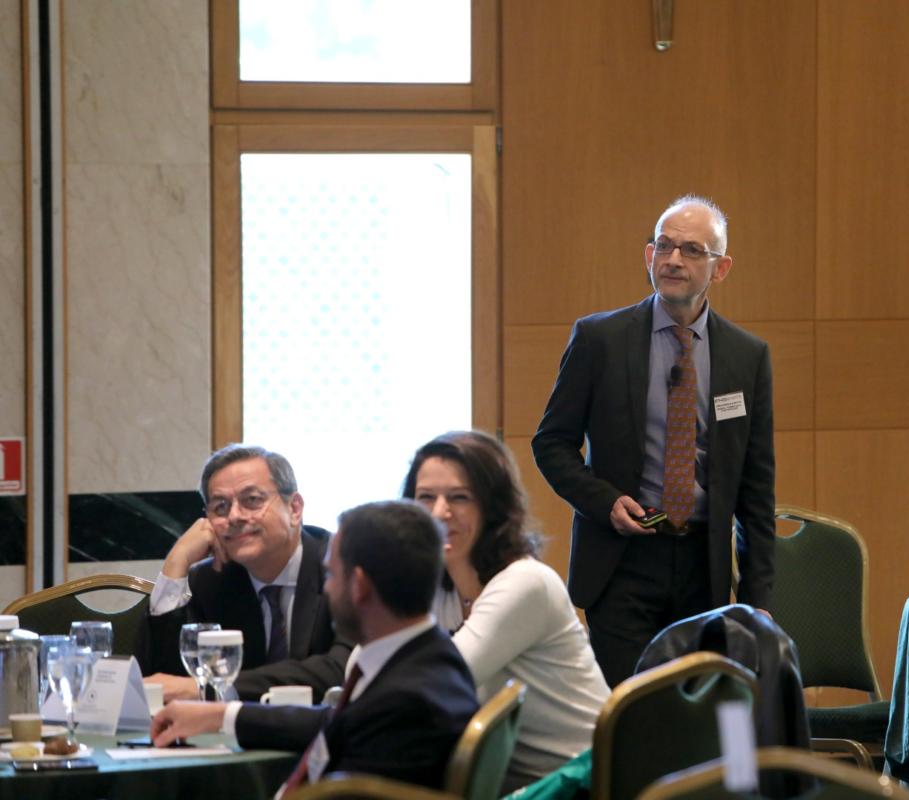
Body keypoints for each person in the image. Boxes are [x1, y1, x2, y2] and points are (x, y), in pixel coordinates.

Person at [532, 194, 775, 686]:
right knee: (629, 713)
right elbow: (551, 443)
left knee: (698, 716)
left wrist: (757, 602)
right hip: (622, 562)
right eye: (664, 246)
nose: (673, 260)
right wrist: (604, 502)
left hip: (703, 569)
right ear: (649, 256)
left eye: (691, 250)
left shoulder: (746, 356)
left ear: (721, 268)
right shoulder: (600, 339)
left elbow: (756, 489)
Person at [151, 500, 479, 792]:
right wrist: (222, 715)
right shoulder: (426, 660)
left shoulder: (406, 701)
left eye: (331, 576)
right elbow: (338, 722)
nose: (328, 589)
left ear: (359, 586)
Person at [404, 430, 611, 791]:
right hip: (509, 784)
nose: (439, 512)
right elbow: (373, 662)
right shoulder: (433, 584)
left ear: (493, 508)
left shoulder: (525, 583)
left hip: (582, 783)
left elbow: (439, 680)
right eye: (425, 497)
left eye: (459, 497)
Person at [142, 444, 349, 701]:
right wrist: (176, 563)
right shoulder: (211, 580)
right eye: (220, 507)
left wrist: (211, 688)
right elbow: (165, 681)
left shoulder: (343, 570)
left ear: (294, 509)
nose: (234, 516)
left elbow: (342, 669)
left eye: (252, 500)